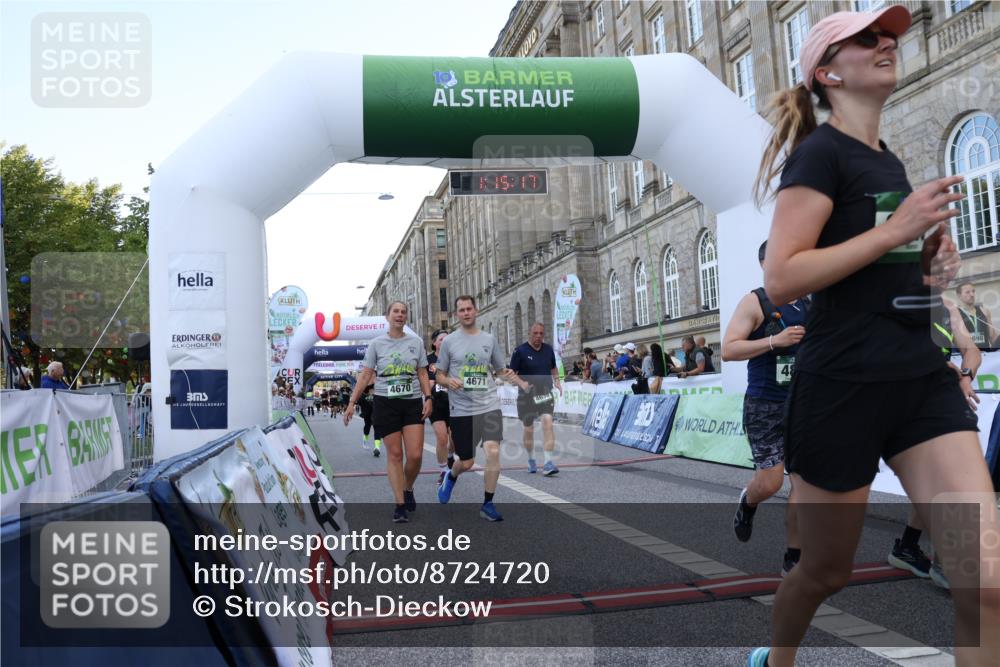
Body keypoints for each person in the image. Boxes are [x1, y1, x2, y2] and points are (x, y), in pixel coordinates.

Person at [747, 6, 998, 666]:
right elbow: (780, 277)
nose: (886, 43)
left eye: (888, 35)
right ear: (828, 72)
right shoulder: (818, 155)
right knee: (825, 571)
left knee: (987, 577)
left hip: (919, 382)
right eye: (866, 38)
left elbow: (884, 277)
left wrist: (929, 270)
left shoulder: (887, 160)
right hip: (843, 387)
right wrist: (894, 231)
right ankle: (776, 659)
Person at [722, 241, 807, 577]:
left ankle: (794, 557)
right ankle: (749, 500)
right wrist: (775, 341)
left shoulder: (810, 304)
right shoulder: (755, 301)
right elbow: (728, 349)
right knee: (771, 483)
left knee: (803, 483)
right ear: (764, 265)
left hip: (802, 405)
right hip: (764, 405)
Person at [345, 301, 432, 523]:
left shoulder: (416, 342)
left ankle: (408, 487)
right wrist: (351, 402)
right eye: (396, 311)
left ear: (406, 317)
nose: (400, 315)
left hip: (411, 401)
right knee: (395, 455)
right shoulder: (376, 344)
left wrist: (428, 397)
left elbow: (422, 373)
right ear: (388, 316)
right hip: (385, 402)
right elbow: (365, 375)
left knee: (415, 455)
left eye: (403, 312)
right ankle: (400, 504)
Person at [435, 295, 514, 522]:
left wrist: (516, 380)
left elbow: (500, 370)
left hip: (489, 404)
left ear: (476, 311)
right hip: (461, 409)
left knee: (493, 452)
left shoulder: (489, 339)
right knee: (467, 462)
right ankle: (451, 476)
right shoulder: (449, 342)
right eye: (461, 310)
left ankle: (488, 504)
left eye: (469, 308)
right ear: (457, 314)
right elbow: (439, 375)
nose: (466, 313)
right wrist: (448, 381)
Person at [509, 322, 562, 476]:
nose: (538, 336)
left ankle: (547, 463)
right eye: (535, 333)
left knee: (548, 423)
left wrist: (557, 382)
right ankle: (531, 459)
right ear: (529, 334)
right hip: (527, 396)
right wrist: (521, 383)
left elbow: (553, 367)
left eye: (541, 333)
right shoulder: (520, 351)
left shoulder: (548, 350)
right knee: (529, 429)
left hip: (545, 393)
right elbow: (511, 373)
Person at [427, 329, 455, 485]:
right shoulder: (428, 360)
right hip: (436, 403)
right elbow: (430, 383)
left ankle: (450, 457)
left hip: (454, 403)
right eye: (441, 339)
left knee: (455, 439)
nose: (445, 341)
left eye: (447, 338)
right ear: (434, 343)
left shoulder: (455, 358)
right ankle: (443, 471)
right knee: (442, 437)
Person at [954, 281, 997, 350]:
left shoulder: (984, 311)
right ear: (959, 296)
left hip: (985, 354)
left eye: (973, 291)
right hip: (966, 355)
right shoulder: (955, 313)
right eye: (967, 292)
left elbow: (992, 336)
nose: (972, 294)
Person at [356, 383, 380, 452]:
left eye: (373, 389)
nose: (372, 391)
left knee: (377, 428)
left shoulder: (377, 395)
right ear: (368, 390)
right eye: (371, 390)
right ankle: (365, 441)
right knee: (367, 427)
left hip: (376, 414)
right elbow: (358, 402)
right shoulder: (363, 395)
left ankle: (377, 447)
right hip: (367, 414)